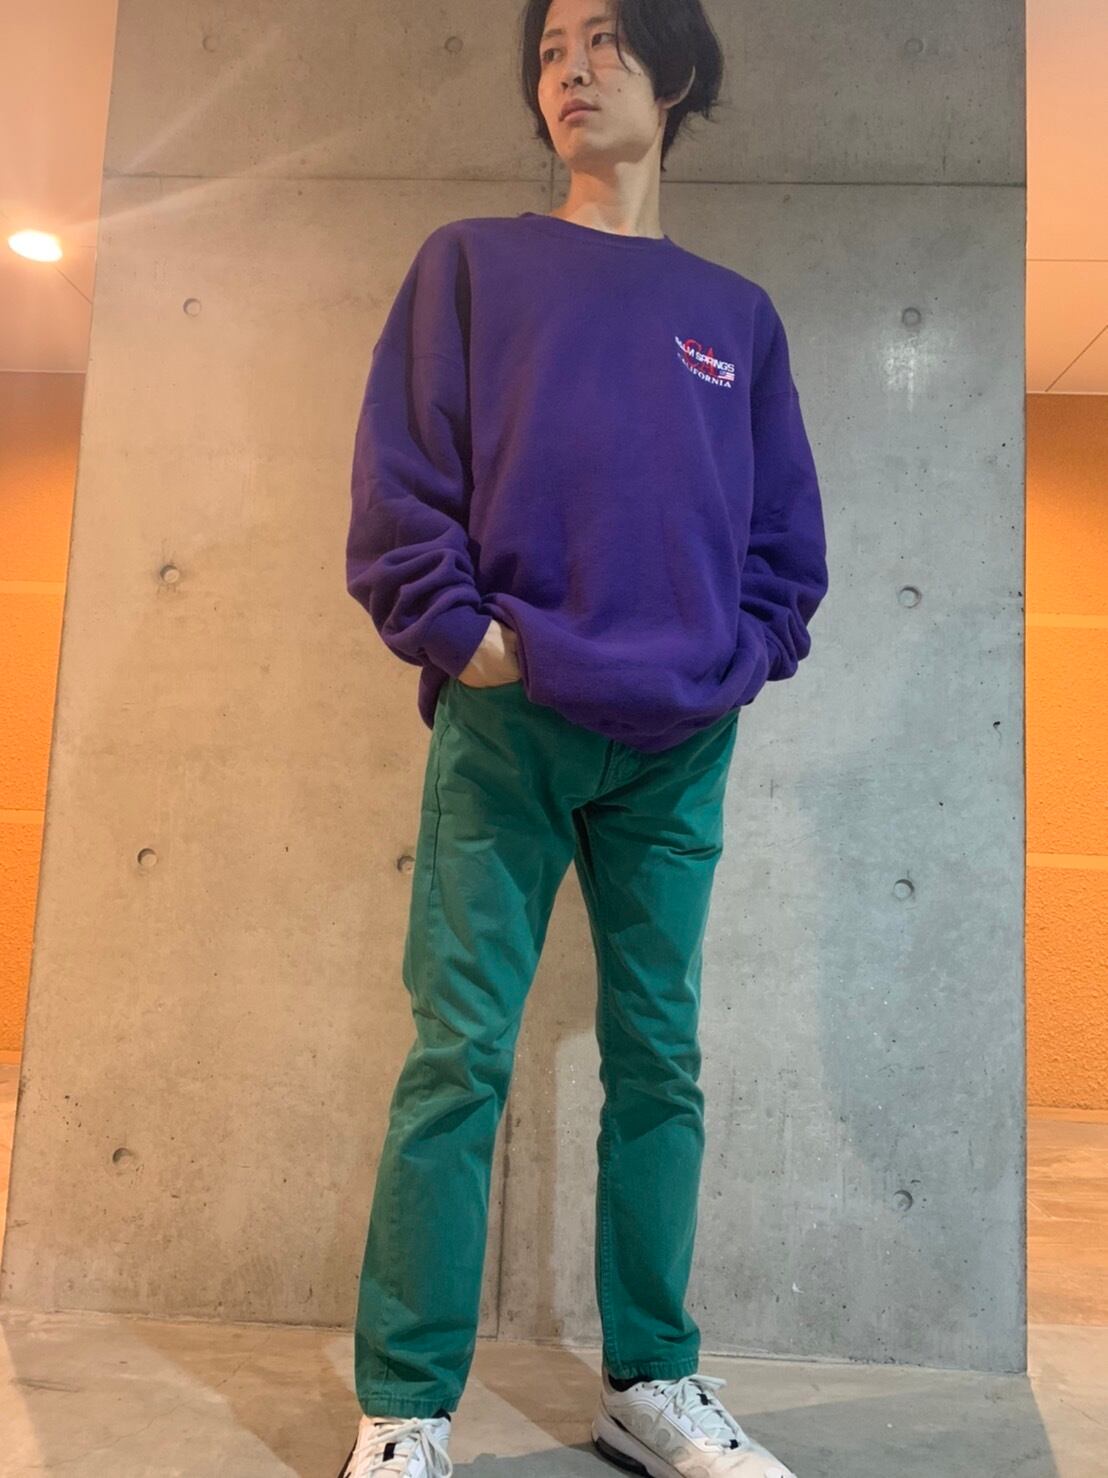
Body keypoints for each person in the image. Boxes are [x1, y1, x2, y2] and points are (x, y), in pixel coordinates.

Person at [338, 0, 828, 1473]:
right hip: (511, 722)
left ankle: (650, 1379)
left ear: (676, 73)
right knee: (458, 1058)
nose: (572, 68)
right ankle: (404, 1407)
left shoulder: (736, 317)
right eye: (552, 48)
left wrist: (737, 659)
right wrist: (468, 640)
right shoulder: (472, 265)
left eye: (607, 39)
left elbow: (784, 544)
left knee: (661, 1061)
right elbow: (400, 480)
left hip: (679, 743)